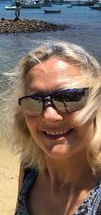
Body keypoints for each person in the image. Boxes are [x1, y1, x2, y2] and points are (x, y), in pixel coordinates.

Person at [9, 41, 101, 214]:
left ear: (97, 102)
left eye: (69, 97)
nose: (50, 116)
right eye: (34, 101)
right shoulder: (30, 167)